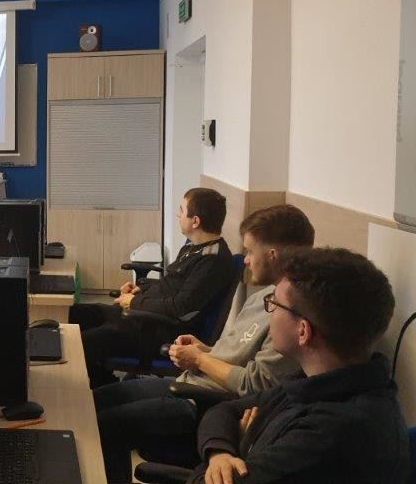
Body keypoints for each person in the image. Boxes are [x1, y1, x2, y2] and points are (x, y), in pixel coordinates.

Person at [94, 204, 315, 483]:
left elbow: (255, 383)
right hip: (192, 382)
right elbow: (237, 355)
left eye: (250, 251)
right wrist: (205, 350)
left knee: (101, 426)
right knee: (93, 402)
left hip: (203, 402)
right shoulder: (263, 297)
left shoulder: (288, 314)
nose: (246, 260)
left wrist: (199, 360)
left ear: (272, 255)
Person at [190, 248, 408, 484]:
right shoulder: (317, 381)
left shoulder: (332, 433)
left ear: (303, 331)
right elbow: (224, 411)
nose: (270, 313)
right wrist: (220, 454)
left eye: (275, 304)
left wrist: (243, 447)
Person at [73, 187, 236, 386]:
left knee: (80, 343)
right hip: (144, 316)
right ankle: (102, 380)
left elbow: (180, 307)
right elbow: (171, 284)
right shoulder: (193, 246)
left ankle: (101, 390)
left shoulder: (212, 261)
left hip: (158, 330)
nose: (178, 215)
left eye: (181, 210)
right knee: (75, 313)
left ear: (195, 221)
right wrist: (141, 288)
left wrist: (134, 302)